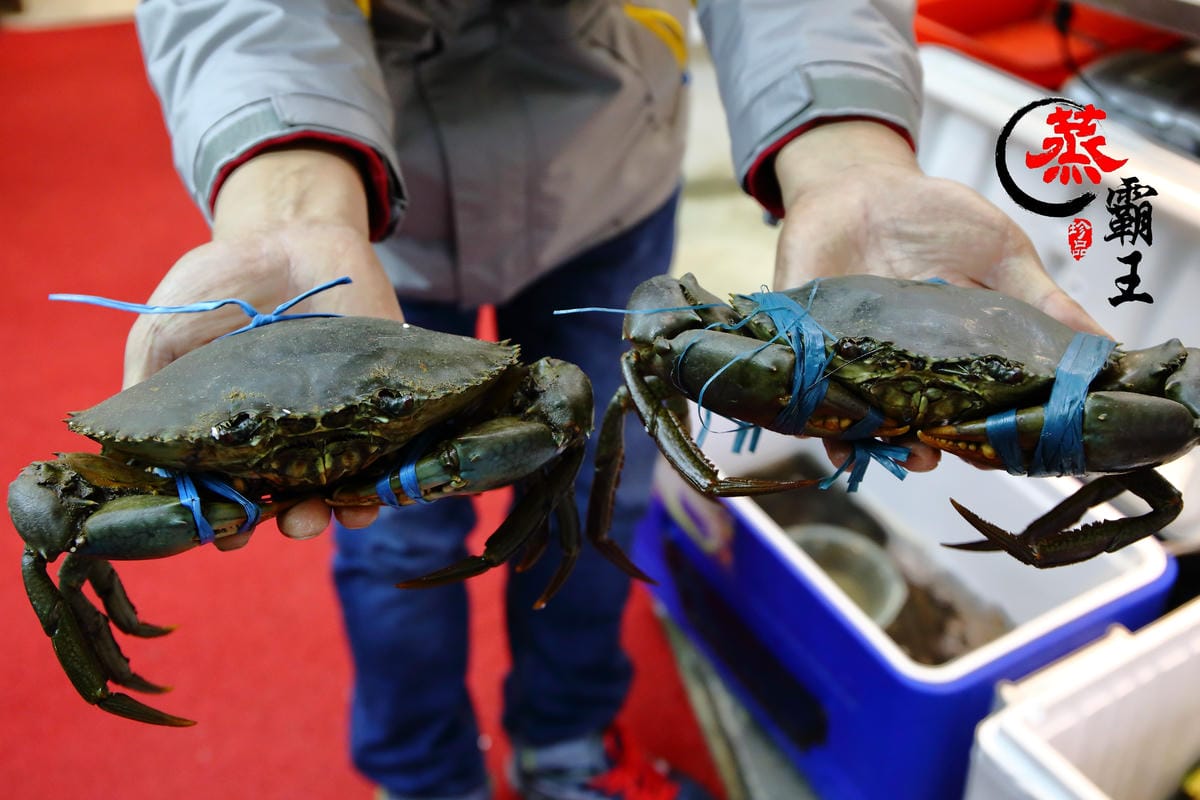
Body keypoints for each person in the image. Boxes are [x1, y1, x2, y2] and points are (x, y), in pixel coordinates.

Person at [129, 2, 1103, 799]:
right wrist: (288, 197)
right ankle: (422, 779)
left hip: (607, 150)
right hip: (361, 205)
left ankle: (564, 741)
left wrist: (847, 160)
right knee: (392, 526)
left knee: (600, 477)